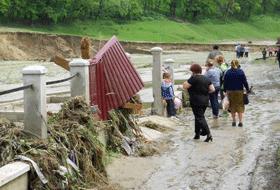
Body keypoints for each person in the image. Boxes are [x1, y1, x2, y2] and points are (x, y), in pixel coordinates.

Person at [183, 64, 215, 142]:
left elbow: (185, 86)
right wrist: (205, 92)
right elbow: (212, 89)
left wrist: (191, 77)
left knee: (200, 117)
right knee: (199, 117)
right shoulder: (206, 78)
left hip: (196, 101)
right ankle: (197, 134)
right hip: (205, 101)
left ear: (193, 71)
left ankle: (208, 134)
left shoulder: (193, 78)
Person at [224, 60, 250, 127]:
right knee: (240, 106)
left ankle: (233, 121)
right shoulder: (241, 72)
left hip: (230, 91)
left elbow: (225, 83)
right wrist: (247, 89)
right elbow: (245, 82)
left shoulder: (228, 72)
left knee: (232, 106)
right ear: (238, 64)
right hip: (239, 91)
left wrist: (225, 91)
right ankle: (240, 122)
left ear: (231, 64)